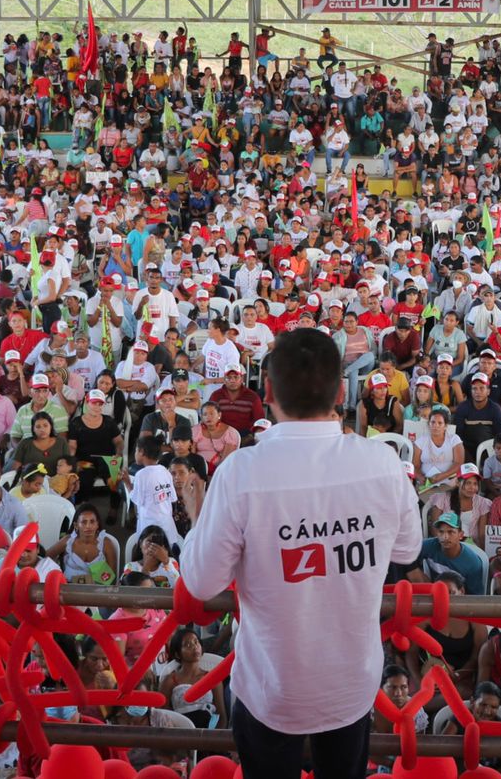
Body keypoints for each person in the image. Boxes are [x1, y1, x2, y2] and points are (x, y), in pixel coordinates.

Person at [179, 329, 420, 779]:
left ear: (268, 391)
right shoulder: (383, 464)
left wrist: (197, 516)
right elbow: (407, 549)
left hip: (271, 687)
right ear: (342, 392)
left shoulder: (240, 472)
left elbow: (201, 581)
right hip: (351, 683)